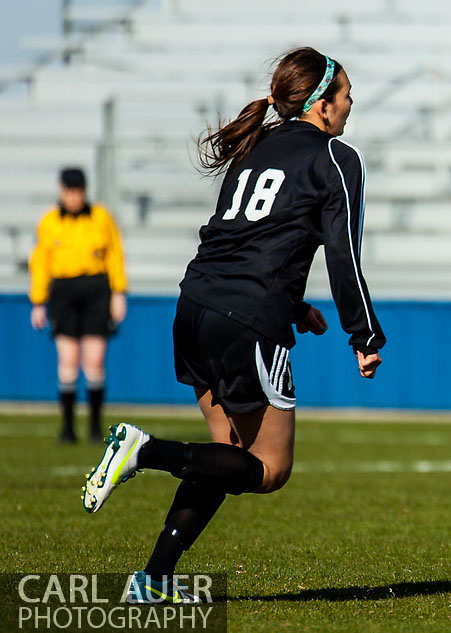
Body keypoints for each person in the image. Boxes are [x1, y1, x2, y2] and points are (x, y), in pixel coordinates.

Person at [80, 47, 385, 603]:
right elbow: (344, 257)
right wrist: (363, 335)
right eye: (344, 95)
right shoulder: (337, 158)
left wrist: (295, 307)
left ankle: (152, 580)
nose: (349, 105)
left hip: (195, 305)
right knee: (268, 468)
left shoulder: (257, 144)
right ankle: (143, 452)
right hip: (246, 320)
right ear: (320, 106)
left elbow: (240, 238)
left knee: (224, 453)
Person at [29, 167, 128, 444]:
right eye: (69, 191)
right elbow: (40, 263)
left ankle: (95, 426)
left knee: (94, 360)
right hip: (63, 291)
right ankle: (68, 427)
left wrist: (118, 293)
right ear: (62, 191)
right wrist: (38, 301)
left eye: (78, 191)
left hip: (96, 289)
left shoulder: (100, 218)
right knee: (68, 360)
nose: (74, 197)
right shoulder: (49, 221)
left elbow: (115, 255)